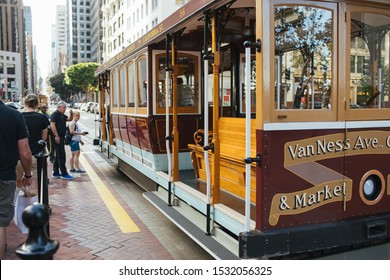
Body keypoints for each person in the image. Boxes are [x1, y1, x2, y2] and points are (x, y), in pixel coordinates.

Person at [0, 88, 33, 260]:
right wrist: (27, 174)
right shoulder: (13, 115)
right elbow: (25, 153)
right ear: (1, 92)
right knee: (0, 223)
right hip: (5, 176)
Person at [16, 94, 50, 195]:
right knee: (34, 189)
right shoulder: (42, 118)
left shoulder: (18, 116)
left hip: (18, 157)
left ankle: (21, 207)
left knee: (17, 188)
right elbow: (43, 139)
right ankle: (33, 208)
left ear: (25, 103)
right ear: (37, 105)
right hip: (36, 157)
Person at [50, 101, 74, 180]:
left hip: (61, 136)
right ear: (59, 107)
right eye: (64, 107)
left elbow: (69, 119)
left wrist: (71, 114)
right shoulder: (55, 114)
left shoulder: (62, 115)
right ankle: (64, 173)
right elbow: (52, 125)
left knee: (59, 154)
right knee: (61, 155)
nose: (65, 109)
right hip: (57, 136)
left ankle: (56, 172)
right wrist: (56, 136)